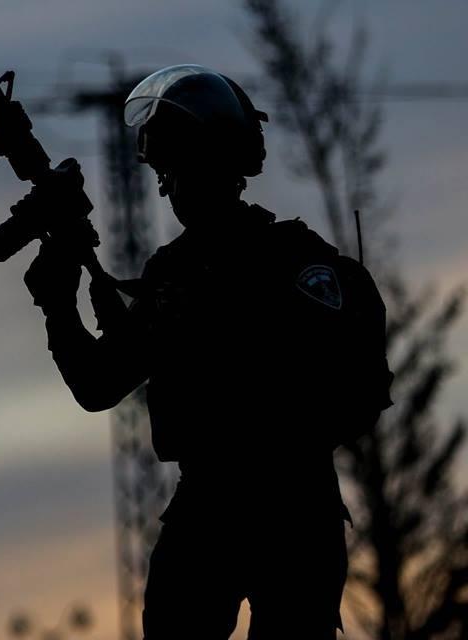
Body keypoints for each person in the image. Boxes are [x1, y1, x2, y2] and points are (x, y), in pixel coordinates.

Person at [23, 65, 393, 639]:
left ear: (202, 167)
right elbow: (99, 384)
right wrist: (58, 304)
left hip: (264, 508)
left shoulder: (230, 269)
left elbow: (98, 385)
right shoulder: (191, 272)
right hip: (266, 509)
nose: (166, 188)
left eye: (172, 170)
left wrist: (58, 307)